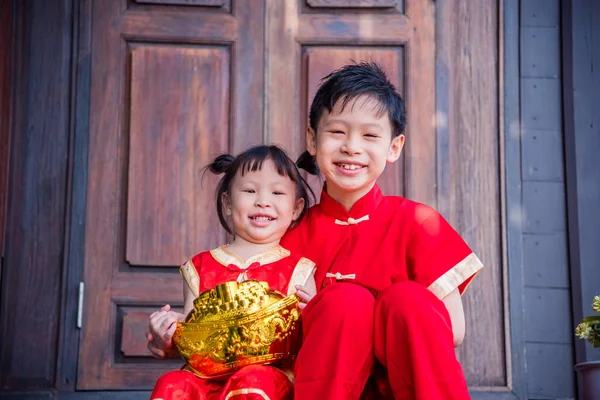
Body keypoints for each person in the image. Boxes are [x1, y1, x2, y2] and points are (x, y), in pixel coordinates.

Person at [279, 62, 484, 399]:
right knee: (343, 303)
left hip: (405, 385)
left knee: (408, 300)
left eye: (370, 135)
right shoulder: (292, 235)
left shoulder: (418, 223)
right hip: (324, 384)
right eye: (337, 132)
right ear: (312, 139)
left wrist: (381, 318)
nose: (351, 147)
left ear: (394, 147)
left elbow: (455, 330)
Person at [146, 145, 317, 400]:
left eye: (277, 192)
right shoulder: (200, 266)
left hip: (269, 377)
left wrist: (312, 313)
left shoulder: (300, 269)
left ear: (296, 208)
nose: (263, 201)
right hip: (206, 376)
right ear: (227, 202)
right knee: (172, 383)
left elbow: (315, 339)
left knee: (252, 379)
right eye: (249, 190)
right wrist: (168, 334)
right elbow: (193, 338)